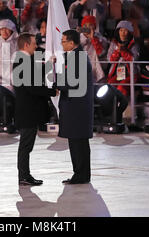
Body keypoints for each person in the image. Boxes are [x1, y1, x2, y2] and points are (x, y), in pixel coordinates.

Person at [13, 33, 57, 186]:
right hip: (27, 111)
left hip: (28, 110)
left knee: (26, 145)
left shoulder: (25, 60)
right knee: (25, 146)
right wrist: (52, 91)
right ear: (26, 45)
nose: (36, 46)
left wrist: (50, 64)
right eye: (33, 44)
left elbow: (35, 77)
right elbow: (33, 87)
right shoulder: (22, 61)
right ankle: (24, 176)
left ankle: (25, 175)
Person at [55, 29, 93, 185]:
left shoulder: (78, 58)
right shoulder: (73, 57)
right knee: (76, 141)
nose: (61, 44)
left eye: (63, 41)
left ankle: (81, 174)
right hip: (73, 105)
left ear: (72, 43)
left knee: (78, 141)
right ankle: (80, 173)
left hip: (77, 106)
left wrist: (55, 84)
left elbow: (72, 82)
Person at [107, 20, 140, 97]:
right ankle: (111, 106)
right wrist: (117, 52)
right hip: (117, 73)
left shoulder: (134, 44)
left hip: (131, 74)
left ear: (129, 32)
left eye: (125, 30)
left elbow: (134, 59)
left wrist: (124, 51)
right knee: (110, 86)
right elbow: (109, 59)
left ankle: (123, 106)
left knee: (121, 88)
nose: (122, 33)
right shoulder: (113, 43)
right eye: (121, 30)